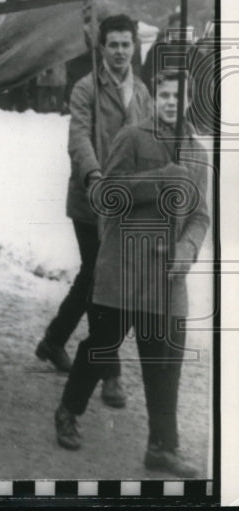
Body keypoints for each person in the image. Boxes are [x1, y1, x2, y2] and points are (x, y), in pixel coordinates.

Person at [54, 72, 209, 477]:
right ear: (154, 98)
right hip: (123, 267)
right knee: (102, 347)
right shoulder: (131, 136)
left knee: (166, 361)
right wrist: (161, 180)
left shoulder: (196, 152)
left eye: (179, 95)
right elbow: (108, 194)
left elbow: (200, 216)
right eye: (164, 94)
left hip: (167, 275)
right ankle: (68, 411)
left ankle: (162, 446)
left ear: (190, 100)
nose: (171, 102)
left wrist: (187, 248)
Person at [36, 14, 152, 410]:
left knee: (92, 280)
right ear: (101, 48)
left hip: (128, 205)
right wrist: (96, 177)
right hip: (91, 203)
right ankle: (111, 373)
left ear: (135, 47)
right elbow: (79, 137)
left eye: (126, 44)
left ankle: (53, 341)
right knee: (105, 283)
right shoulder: (86, 88)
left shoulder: (142, 94)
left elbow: (150, 141)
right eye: (113, 44)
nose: (120, 52)